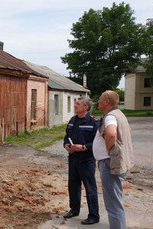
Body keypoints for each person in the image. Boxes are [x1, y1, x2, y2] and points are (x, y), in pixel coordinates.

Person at [93, 90, 134, 229]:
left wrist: (110, 150)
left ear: (106, 101)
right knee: (116, 201)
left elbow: (111, 133)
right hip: (113, 162)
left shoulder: (110, 117)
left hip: (109, 163)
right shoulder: (119, 114)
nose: (97, 102)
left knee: (113, 205)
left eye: (99, 99)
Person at [63, 96, 99, 225]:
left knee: (90, 188)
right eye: (75, 103)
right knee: (73, 186)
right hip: (73, 158)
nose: (74, 106)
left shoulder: (94, 122)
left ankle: (94, 215)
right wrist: (66, 146)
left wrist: (83, 147)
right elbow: (67, 136)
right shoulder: (73, 120)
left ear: (86, 107)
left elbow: (97, 143)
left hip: (86, 160)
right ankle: (74, 209)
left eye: (77, 104)